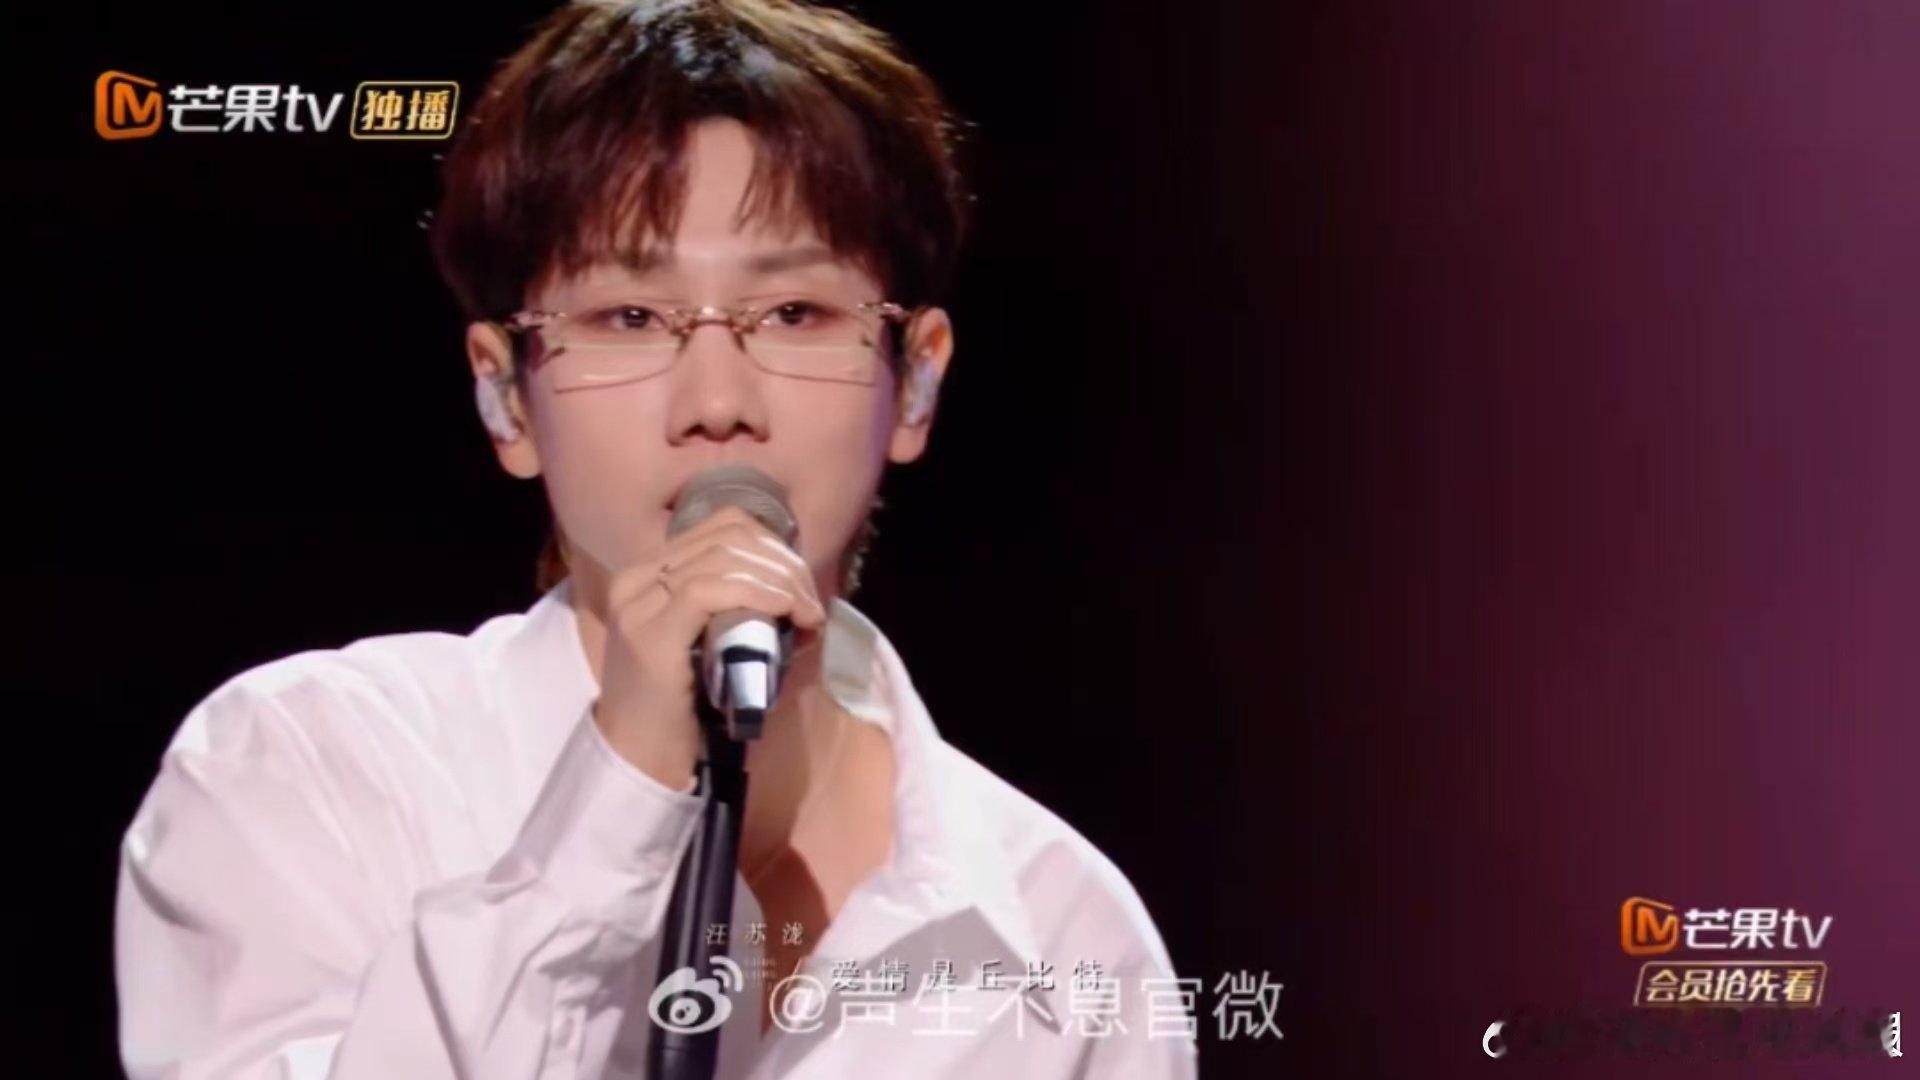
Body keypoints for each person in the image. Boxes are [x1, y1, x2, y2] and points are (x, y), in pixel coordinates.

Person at [114, 2, 1196, 1076]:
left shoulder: (1064, 939)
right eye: (629, 318)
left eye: (793, 314)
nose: (717, 403)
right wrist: (620, 789)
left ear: (914, 383)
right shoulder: (311, 775)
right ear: (505, 398)